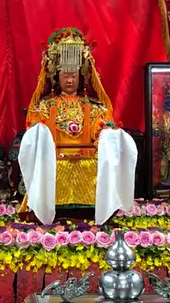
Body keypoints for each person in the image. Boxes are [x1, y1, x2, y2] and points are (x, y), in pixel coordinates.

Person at [19, 28, 135, 224]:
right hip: (55, 158)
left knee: (98, 163)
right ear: (56, 77)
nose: (70, 80)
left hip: (86, 156)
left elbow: (102, 129)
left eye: (73, 75)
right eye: (65, 75)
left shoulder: (94, 107)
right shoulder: (45, 107)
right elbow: (35, 134)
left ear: (81, 77)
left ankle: (96, 211)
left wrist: (107, 132)